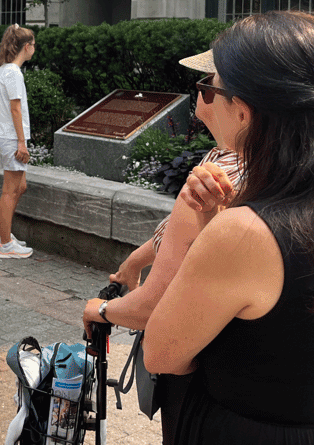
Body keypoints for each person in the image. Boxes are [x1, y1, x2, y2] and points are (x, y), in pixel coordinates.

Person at [141, 11, 314, 444]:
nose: (201, 105)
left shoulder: (244, 233)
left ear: (245, 111)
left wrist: (193, 224)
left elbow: (161, 353)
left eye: (209, 87)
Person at [83, 49, 243, 445]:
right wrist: (136, 261)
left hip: (210, 386)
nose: (198, 94)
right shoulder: (308, 171)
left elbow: (155, 325)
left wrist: (101, 311)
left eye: (207, 86)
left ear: (242, 107)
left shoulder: (217, 178)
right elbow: (179, 230)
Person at [0, 24, 35, 259]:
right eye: (33, 45)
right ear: (26, 47)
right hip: (10, 138)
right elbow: (15, 109)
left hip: (6, 137)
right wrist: (21, 142)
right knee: (10, 190)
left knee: (20, 186)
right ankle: (5, 243)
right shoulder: (13, 73)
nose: (34, 49)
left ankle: (4, 236)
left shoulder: (4, 70)